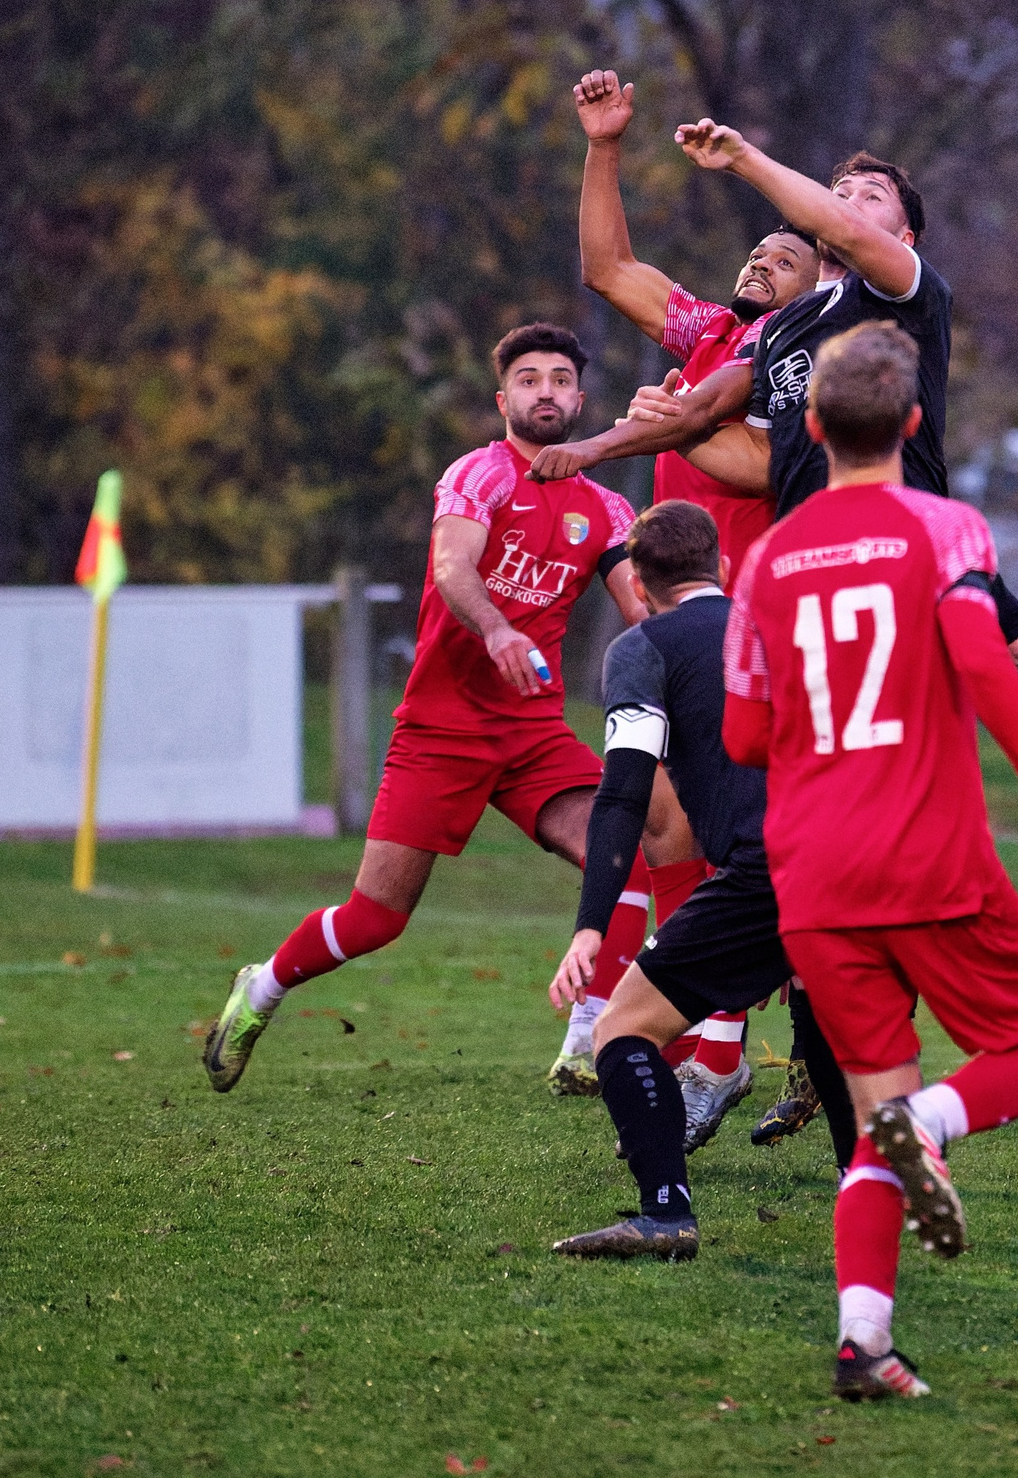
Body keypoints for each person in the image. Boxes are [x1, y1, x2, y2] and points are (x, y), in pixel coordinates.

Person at [721, 321, 1018, 1401]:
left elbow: (745, 739)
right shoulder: (943, 526)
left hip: (814, 880)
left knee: (877, 1094)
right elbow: (979, 648)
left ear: (814, 426)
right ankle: (932, 1122)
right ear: (914, 423)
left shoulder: (767, 559)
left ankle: (863, 1343)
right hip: (929, 860)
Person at [203, 325, 646, 1093]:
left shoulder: (604, 508)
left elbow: (646, 607)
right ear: (503, 398)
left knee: (628, 856)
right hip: (441, 729)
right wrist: (499, 626)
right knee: (377, 918)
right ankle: (262, 987)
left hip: (534, 731)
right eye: (530, 378)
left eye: (561, 378)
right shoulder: (479, 474)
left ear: (580, 399)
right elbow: (451, 567)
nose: (547, 390)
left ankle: (586, 1040)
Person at [538, 67, 823, 1099]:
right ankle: (691, 1037)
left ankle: (727, 1046)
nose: (763, 254)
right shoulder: (710, 331)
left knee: (738, 833)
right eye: (757, 245)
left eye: (786, 251)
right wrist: (605, 144)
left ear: (820, 289)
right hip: (683, 619)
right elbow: (609, 267)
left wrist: (635, 433)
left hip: (751, 625)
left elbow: (728, 445)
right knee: (664, 814)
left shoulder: (797, 357)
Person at [530, 120, 1018, 674]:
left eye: (870, 197)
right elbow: (763, 456)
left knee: (898, 738)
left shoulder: (904, 292)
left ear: (903, 242)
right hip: (807, 568)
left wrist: (743, 158)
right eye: (841, 193)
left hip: (896, 558)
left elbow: (847, 234)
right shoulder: (779, 328)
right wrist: (659, 428)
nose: (849, 204)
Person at [542, 504, 855, 1245]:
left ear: (641, 587)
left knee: (622, 1028)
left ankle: (665, 1212)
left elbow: (623, 792)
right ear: (721, 567)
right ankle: (873, 1187)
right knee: (826, 1014)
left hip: (765, 868)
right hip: (848, 852)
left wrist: (590, 925)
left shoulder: (643, 645)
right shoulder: (782, 623)